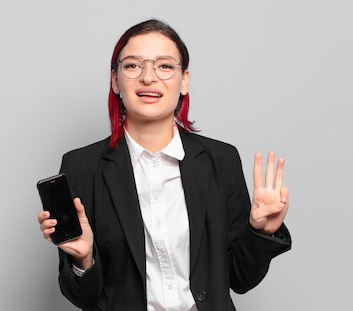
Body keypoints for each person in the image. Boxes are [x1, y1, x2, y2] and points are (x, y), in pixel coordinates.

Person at [38, 19, 292, 311]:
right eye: (133, 65)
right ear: (115, 81)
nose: (148, 77)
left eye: (165, 66)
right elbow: (82, 297)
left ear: (184, 80)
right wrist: (83, 261)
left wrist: (261, 232)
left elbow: (240, 278)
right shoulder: (81, 167)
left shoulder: (221, 161)